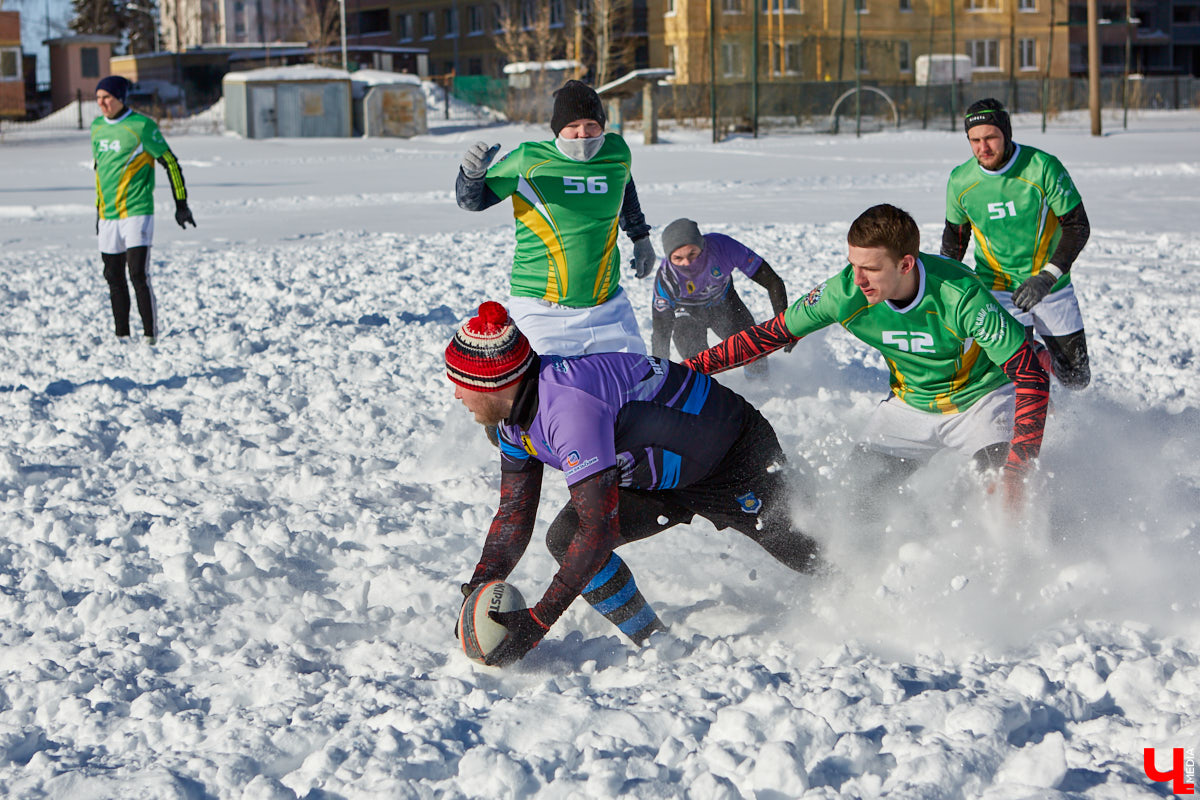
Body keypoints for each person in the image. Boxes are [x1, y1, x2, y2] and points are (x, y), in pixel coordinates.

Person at [446, 301, 822, 667]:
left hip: (732, 457)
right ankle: (657, 644)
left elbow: (599, 532)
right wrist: (481, 583)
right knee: (565, 538)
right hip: (651, 474)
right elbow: (515, 511)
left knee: (811, 554)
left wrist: (538, 621)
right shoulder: (512, 418)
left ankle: (859, 582)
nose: (457, 394)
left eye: (461, 383)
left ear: (493, 383)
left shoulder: (569, 409)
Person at [683, 204, 1051, 513]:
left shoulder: (960, 295)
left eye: (871, 268)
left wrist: (1017, 468)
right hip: (910, 406)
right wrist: (691, 368)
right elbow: (768, 335)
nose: (857, 279)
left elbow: (1031, 375)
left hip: (981, 402)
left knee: (1001, 503)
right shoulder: (844, 293)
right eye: (853, 264)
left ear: (905, 265)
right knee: (852, 507)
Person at [455, 80, 656, 358]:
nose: (583, 134)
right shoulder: (528, 159)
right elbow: (472, 202)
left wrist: (640, 237)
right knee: (546, 384)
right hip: (542, 311)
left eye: (592, 125)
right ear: (558, 127)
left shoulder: (617, 152)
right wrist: (472, 175)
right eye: (573, 125)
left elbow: (625, 188)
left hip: (608, 307)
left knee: (635, 378)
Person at [941, 98, 1091, 390]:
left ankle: (1038, 354)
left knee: (1077, 379)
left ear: (1006, 134)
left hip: (1050, 285)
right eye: (974, 140)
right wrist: (945, 289)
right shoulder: (961, 180)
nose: (983, 148)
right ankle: (1032, 365)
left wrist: (1047, 277)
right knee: (1018, 377)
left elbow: (1077, 226)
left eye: (990, 138)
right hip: (997, 287)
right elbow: (954, 242)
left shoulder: (1042, 167)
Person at [91, 75, 196, 345]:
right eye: (98, 98)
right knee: (113, 276)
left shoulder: (142, 126)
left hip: (137, 211)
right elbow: (100, 172)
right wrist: (98, 211)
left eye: (107, 97)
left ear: (120, 98)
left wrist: (181, 204)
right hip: (108, 215)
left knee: (137, 273)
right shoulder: (97, 128)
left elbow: (170, 163)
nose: (101, 103)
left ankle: (150, 336)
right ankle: (122, 336)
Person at [651, 218, 790, 380]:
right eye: (678, 258)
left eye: (692, 254)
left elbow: (772, 282)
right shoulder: (666, 277)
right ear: (670, 259)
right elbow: (661, 331)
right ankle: (708, 392)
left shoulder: (723, 247)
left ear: (702, 246)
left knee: (753, 348)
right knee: (698, 363)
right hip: (688, 315)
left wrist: (785, 328)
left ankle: (761, 387)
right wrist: (659, 377)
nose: (687, 263)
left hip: (725, 304)